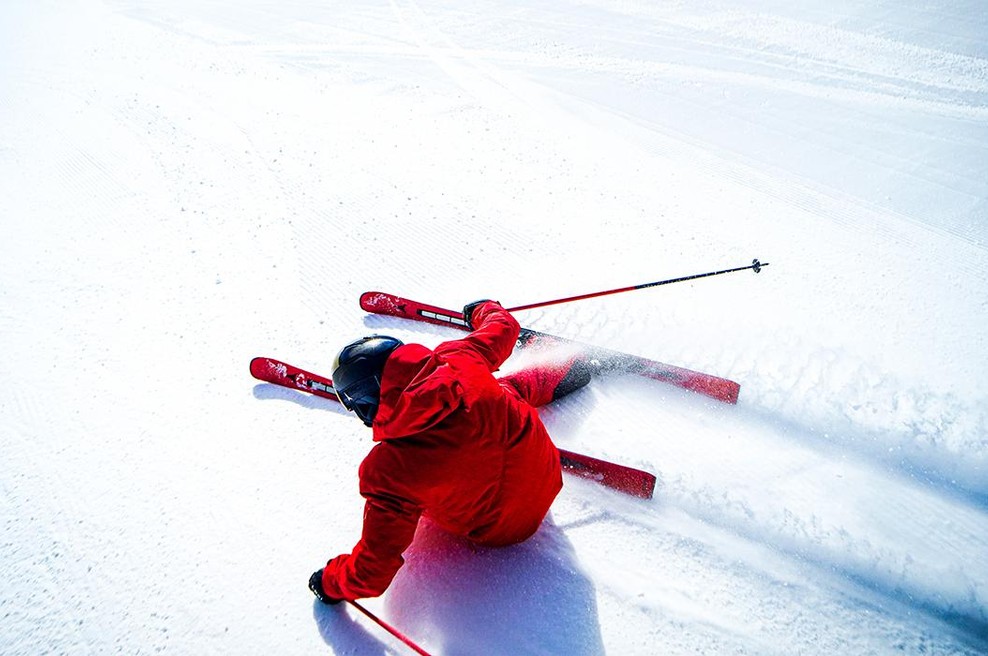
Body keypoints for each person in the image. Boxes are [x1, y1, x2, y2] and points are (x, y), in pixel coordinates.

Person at [309, 300, 595, 604]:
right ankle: (561, 367)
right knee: (500, 390)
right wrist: (482, 309)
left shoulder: (388, 472)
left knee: (419, 491)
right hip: (548, 474)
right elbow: (505, 327)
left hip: (501, 530)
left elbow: (371, 572)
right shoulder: (459, 358)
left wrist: (329, 583)